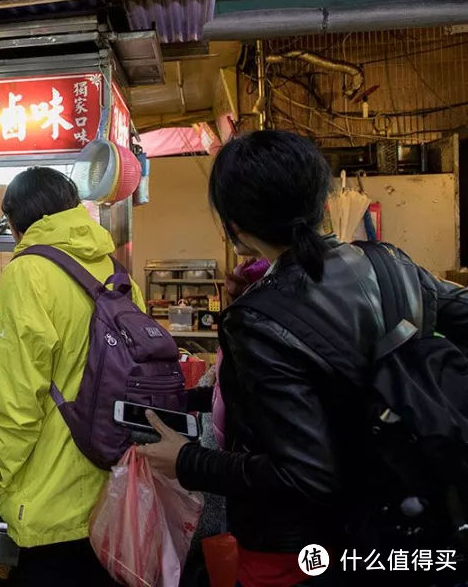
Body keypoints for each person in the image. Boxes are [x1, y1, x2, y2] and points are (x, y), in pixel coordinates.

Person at [140, 130, 468, 587]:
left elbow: (302, 475)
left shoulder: (257, 320)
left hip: (305, 550)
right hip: (408, 515)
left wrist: (188, 461)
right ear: (320, 204)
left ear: (235, 225)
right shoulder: (390, 262)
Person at [0, 167, 140, 585]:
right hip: (111, 477)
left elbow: (20, 397)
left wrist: (5, 469)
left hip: (51, 487)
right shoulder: (113, 268)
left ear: (15, 221)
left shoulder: (26, 272)